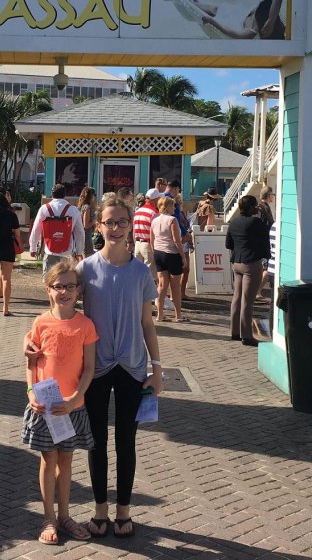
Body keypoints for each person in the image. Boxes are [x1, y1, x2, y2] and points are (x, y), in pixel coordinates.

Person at [28, 195, 163, 540]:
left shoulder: (141, 271)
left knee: (127, 441)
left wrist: (157, 366)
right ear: (97, 226)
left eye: (121, 222)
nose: (115, 228)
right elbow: (61, 307)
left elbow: (148, 323)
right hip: (96, 367)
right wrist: (32, 343)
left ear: (130, 225)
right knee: (96, 441)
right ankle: (100, 510)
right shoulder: (86, 269)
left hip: (133, 365)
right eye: (109, 222)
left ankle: (124, 511)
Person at [22, 260, 98, 545]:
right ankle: (49, 517)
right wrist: (30, 391)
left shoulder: (85, 325)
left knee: (65, 461)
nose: (64, 291)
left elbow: (89, 368)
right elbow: (32, 362)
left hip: (71, 407)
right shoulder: (40, 322)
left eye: (69, 286)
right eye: (58, 286)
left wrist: (76, 397)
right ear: (48, 290)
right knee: (48, 459)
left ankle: (65, 515)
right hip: (45, 408)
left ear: (78, 291)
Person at [226, 195, 271, 346]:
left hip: (236, 262)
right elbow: (269, 230)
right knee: (248, 300)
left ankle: (235, 331)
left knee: (237, 297)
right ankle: (247, 335)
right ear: (252, 207)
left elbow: (228, 244)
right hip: (251, 263)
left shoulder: (234, 222)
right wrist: (266, 214)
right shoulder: (256, 222)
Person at [28, 183, 85, 274]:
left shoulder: (44, 209)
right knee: (65, 282)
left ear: (52, 195)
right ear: (65, 195)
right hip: (67, 252)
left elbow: (36, 229)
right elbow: (80, 233)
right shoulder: (73, 210)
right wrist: (79, 251)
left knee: (49, 281)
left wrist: (33, 248)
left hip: (50, 251)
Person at [192, 0, 286, 40]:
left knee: (215, 12)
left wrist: (212, 21)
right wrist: (271, 20)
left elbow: (233, 33)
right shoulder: (268, 14)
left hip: (235, 24)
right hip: (241, 14)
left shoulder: (253, 31)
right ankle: (196, 4)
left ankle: (196, 5)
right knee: (216, 9)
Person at [150, 196, 189, 322]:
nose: (174, 208)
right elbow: (176, 240)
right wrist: (183, 256)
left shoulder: (154, 220)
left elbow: (152, 239)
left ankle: (160, 315)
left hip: (158, 252)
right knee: (175, 286)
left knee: (161, 286)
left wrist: (155, 251)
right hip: (171, 253)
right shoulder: (172, 220)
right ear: (168, 207)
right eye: (173, 206)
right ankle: (178, 315)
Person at [132, 189, 160, 281]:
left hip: (138, 243)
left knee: (137, 273)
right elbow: (156, 232)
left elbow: (134, 230)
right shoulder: (154, 213)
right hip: (148, 244)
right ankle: (150, 294)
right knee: (150, 274)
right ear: (154, 200)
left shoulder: (138, 211)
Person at [77, 186, 98, 256]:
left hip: (80, 236)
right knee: (87, 256)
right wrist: (94, 220)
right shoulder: (87, 207)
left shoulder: (81, 206)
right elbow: (86, 225)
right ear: (91, 196)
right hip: (86, 237)